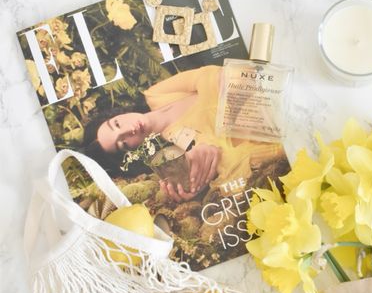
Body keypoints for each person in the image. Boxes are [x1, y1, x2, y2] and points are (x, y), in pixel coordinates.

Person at [84, 65, 281, 202]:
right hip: (264, 117)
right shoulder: (175, 145)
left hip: (259, 87)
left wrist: (221, 90)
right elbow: (223, 151)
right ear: (131, 152)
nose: (128, 130)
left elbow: (207, 74)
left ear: (119, 114)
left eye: (117, 124)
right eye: (124, 143)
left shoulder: (155, 94)